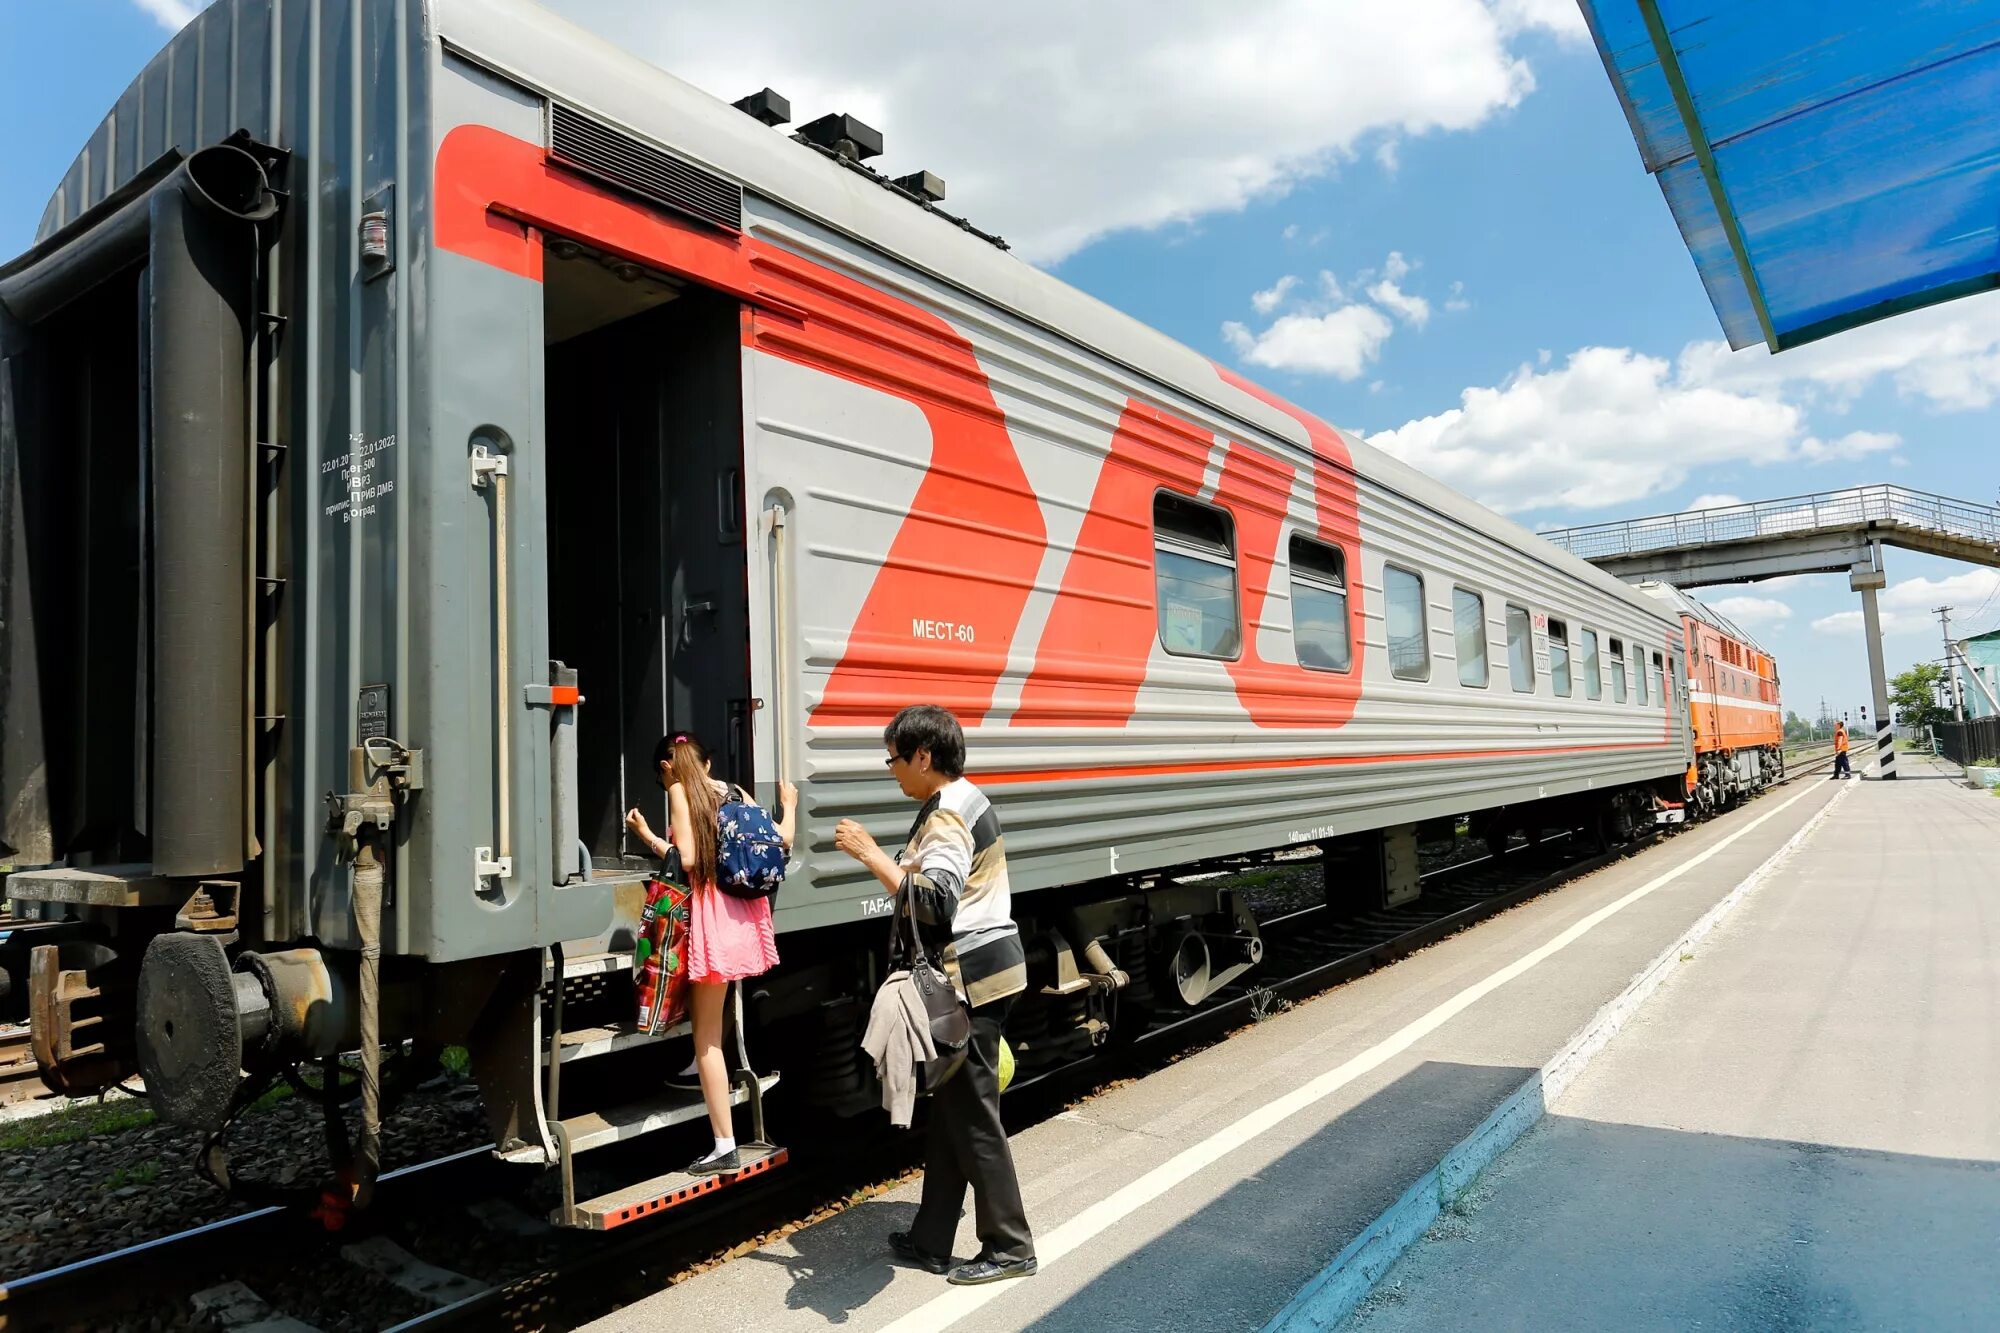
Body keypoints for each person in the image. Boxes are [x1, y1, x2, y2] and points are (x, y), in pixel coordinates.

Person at [833, 704, 1037, 1287]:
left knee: (973, 1118)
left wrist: (871, 854)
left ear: (925, 755)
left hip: (970, 979)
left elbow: (933, 901)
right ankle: (932, 1240)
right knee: (952, 1114)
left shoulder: (948, 814)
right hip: (982, 973)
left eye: (895, 758)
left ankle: (1010, 1245)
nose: (892, 770)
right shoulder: (960, 800)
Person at [625, 733, 794, 1176]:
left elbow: (691, 859)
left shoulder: (680, 792)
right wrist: (790, 807)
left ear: (667, 767)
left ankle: (724, 1145)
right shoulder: (736, 792)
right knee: (713, 1021)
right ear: (705, 760)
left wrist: (647, 837)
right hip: (746, 918)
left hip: (712, 918)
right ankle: (699, 1083)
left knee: (707, 1042)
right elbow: (781, 843)